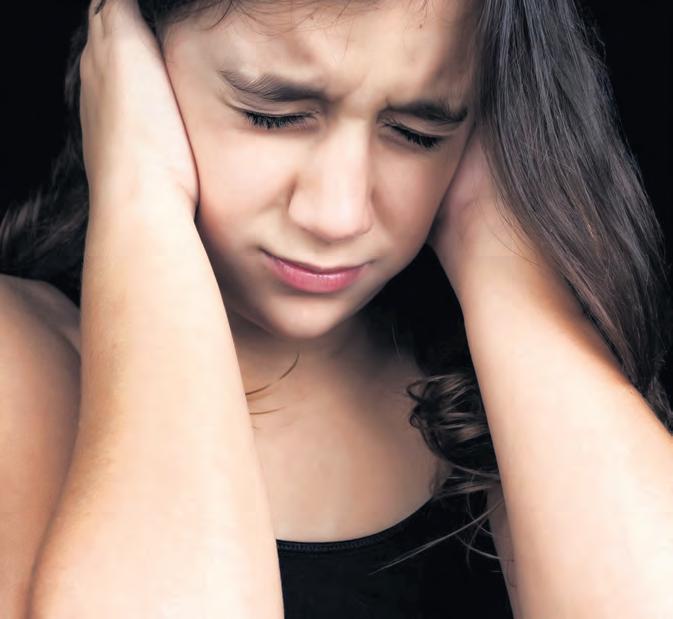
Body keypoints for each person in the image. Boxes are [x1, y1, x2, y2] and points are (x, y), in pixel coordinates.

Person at [1, 0, 671, 617]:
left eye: (417, 131)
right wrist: (139, 194)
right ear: (130, 70)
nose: (338, 214)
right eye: (272, 115)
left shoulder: (497, 391)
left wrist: (499, 250)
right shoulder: (21, 361)